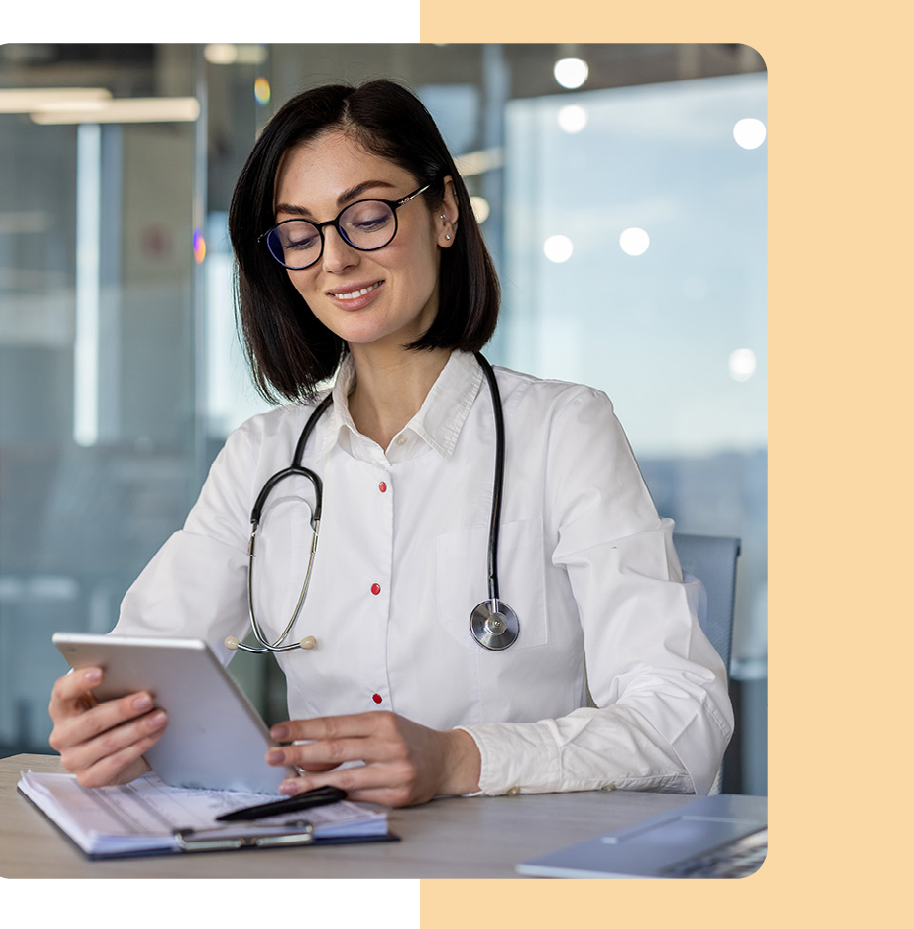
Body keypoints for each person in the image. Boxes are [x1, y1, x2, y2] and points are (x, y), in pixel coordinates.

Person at [48, 79, 733, 807]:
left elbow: (685, 717)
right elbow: (144, 671)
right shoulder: (263, 457)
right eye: (301, 233)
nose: (335, 259)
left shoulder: (564, 431)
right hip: (322, 852)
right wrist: (108, 727)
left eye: (367, 216)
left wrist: (461, 760)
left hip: (516, 870)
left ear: (444, 213)